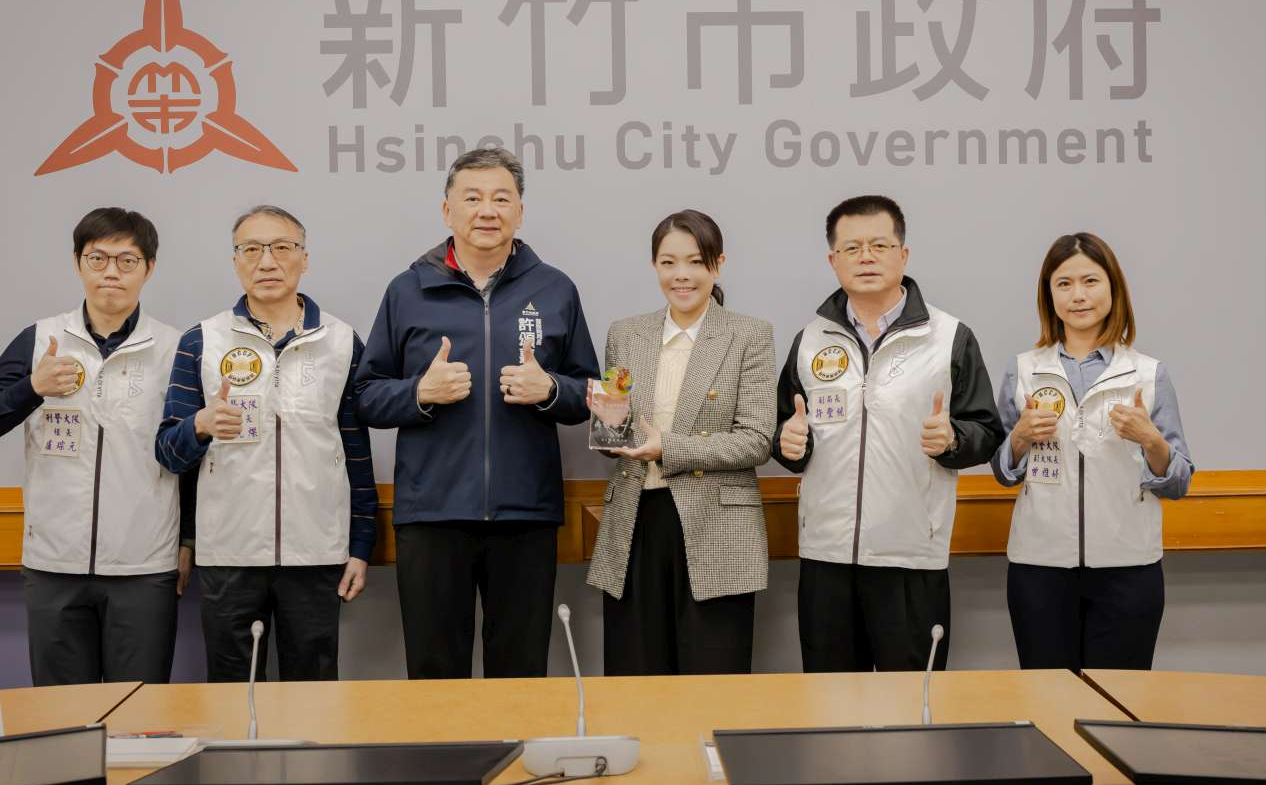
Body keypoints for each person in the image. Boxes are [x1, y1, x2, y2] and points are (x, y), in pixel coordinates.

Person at [354, 147, 599, 680]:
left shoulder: (555, 289)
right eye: (472, 198)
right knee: (435, 673)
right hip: (432, 514)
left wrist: (550, 388)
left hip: (525, 516)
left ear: (520, 212)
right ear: (448, 211)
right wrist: (421, 393)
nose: (487, 211)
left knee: (521, 672)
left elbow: (589, 395)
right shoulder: (407, 291)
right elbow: (366, 396)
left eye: (501, 199)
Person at [0, 207, 189, 686]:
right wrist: (32, 388)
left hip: (143, 567)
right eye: (97, 258)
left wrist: (188, 541)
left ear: (149, 268)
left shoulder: (174, 348)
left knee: (139, 713)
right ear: (77, 263)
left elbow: (188, 454)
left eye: (127, 260)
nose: (110, 272)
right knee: (62, 717)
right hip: (53, 565)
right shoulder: (42, 339)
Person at [773, 195, 1004, 672]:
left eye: (879, 245)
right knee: (830, 701)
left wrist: (952, 440)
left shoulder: (949, 337)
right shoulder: (810, 340)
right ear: (833, 261)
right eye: (852, 248)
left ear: (903, 254)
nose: (866, 257)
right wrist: (788, 444)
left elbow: (986, 430)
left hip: (911, 556)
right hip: (827, 557)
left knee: (911, 703)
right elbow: (787, 430)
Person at [155, 205, 377, 682]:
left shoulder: (341, 342)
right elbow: (168, 452)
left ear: (304, 258)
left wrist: (360, 545)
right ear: (236, 261)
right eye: (252, 249)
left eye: (282, 247)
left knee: (313, 697)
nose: (267, 261)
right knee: (232, 696)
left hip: (316, 553)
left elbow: (356, 454)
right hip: (228, 553)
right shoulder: (202, 341)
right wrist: (199, 425)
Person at [991, 232, 1194, 671]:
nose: (1078, 295)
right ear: (1049, 295)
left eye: (1090, 281)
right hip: (1039, 566)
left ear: (1113, 288)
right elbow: (1004, 471)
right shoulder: (1024, 369)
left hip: (1129, 567)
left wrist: (1151, 440)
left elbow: (1179, 480)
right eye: (1064, 284)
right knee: (1046, 697)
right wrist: (1020, 437)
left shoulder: (1148, 374)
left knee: (1118, 700)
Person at [587, 210, 776, 675]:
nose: (681, 275)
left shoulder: (750, 334)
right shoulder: (625, 333)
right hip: (636, 519)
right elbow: (614, 432)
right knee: (636, 676)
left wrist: (667, 448)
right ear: (654, 265)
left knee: (712, 681)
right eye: (668, 262)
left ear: (718, 264)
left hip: (717, 526)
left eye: (695, 261)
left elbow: (756, 440)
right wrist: (609, 429)